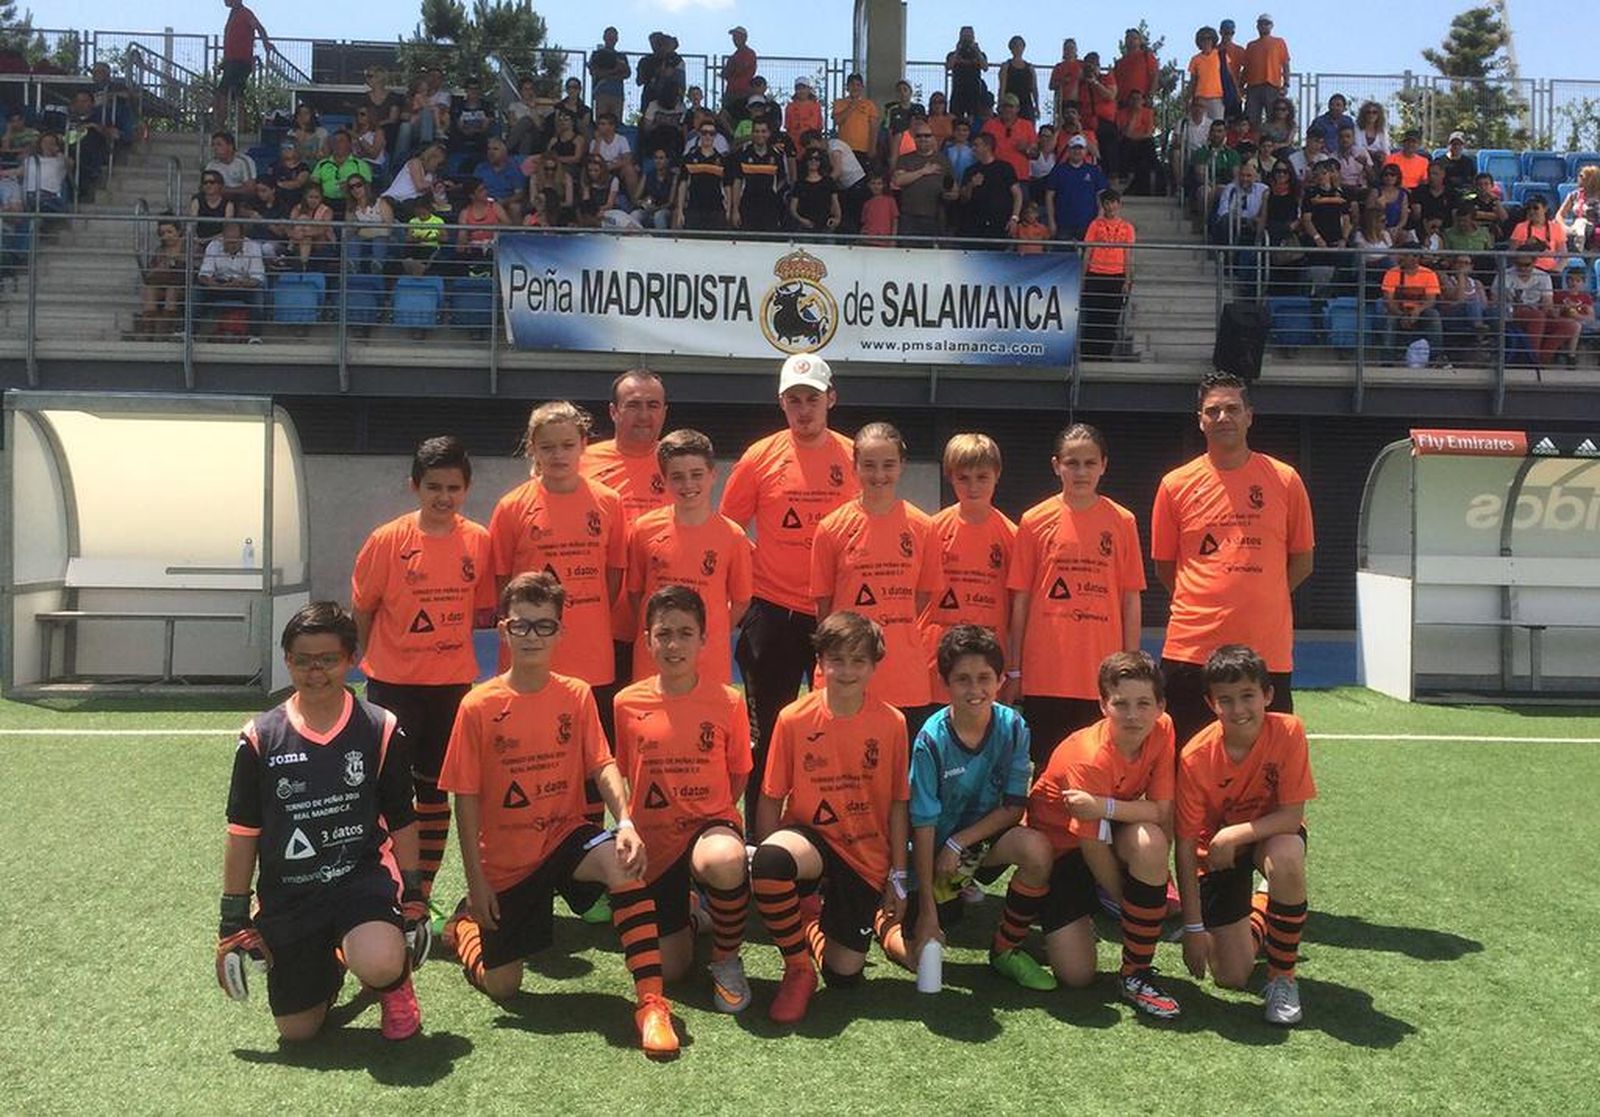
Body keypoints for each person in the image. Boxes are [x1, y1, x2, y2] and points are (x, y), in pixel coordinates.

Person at [438, 572, 679, 1057]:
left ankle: (652, 1004)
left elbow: (602, 763)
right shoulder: (477, 705)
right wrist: (477, 880)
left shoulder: (576, 693)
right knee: (504, 987)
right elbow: (464, 799)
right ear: (503, 630)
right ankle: (464, 929)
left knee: (623, 862)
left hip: (566, 838)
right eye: (521, 626)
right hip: (508, 860)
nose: (532, 637)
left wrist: (625, 821)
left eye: (544, 626)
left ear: (560, 632)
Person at [216, 602, 423, 1042]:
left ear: (350, 660)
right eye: (303, 661)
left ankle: (391, 980)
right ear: (287, 660)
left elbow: (403, 817)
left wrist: (415, 894)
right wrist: (232, 920)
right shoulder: (260, 736)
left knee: (382, 960)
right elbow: (242, 832)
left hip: (360, 879)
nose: (316, 672)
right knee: (297, 1031)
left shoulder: (379, 726)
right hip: (291, 892)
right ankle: (331, 962)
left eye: (328, 660)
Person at [351, 437, 494, 924]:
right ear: (415, 486)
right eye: (434, 486)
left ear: (466, 489)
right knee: (389, 793)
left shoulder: (479, 540)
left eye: (453, 487)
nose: (443, 496)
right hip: (392, 686)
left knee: (435, 793)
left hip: (452, 689)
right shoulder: (387, 540)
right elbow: (364, 606)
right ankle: (382, 886)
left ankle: (420, 893)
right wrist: (368, 661)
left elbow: (482, 610)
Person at [749, 611, 910, 1024]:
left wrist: (897, 876)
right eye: (836, 659)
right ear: (819, 662)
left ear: (875, 665)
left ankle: (816, 928)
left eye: (859, 661)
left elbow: (897, 804)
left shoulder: (892, 723)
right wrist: (763, 868)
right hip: (810, 842)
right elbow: (770, 798)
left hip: (865, 854)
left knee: (844, 974)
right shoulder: (793, 718)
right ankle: (798, 968)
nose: (847, 670)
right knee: (770, 861)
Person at [721, 353, 859, 820]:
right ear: (782, 403)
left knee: (834, 726)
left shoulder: (854, 456)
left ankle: (825, 826)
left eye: (813, 399)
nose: (804, 409)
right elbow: (729, 529)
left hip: (834, 616)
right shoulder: (761, 456)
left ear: (831, 400)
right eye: (794, 399)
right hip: (773, 612)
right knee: (770, 730)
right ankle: (758, 839)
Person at [884, 625, 1057, 991]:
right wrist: (928, 912)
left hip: (969, 847)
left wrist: (959, 841)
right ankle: (896, 914)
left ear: (998, 680)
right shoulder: (930, 739)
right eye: (962, 679)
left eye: (984, 678)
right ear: (945, 682)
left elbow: (1013, 807)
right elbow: (923, 826)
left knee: (1036, 849)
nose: (975, 689)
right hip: (928, 854)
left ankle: (1006, 949)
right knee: (919, 938)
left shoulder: (1014, 728)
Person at [1152, 374, 1315, 749]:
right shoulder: (1175, 484)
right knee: (1184, 758)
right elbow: (1165, 566)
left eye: (1232, 408)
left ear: (1250, 416)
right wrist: (1210, 598)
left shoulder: (1285, 480)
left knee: (1267, 761)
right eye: (1213, 410)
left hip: (1265, 647)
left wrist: (1263, 593)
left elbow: (1303, 560)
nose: (1223, 416)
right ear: (1200, 420)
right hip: (1191, 647)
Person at [613, 584, 754, 1012]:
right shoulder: (625, 702)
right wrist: (627, 825)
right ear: (648, 639)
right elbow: (622, 773)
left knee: (724, 860)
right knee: (671, 970)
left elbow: (738, 774)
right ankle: (694, 915)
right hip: (655, 840)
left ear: (704, 639)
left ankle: (727, 958)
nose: (674, 644)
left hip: (709, 827)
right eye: (664, 633)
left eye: (685, 633)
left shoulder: (728, 701)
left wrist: (709, 814)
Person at [1025, 651, 1180, 1016]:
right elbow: (1089, 845)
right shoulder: (1088, 756)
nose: (1132, 715)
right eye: (1120, 703)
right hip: (1061, 849)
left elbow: (1161, 811)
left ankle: (1136, 972)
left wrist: (1104, 808)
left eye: (1144, 703)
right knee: (1077, 975)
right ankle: (1089, 905)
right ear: (1102, 705)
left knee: (1150, 841)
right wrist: (1132, 906)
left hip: (1106, 825)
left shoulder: (1164, 729)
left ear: (1161, 706)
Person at [1176, 645, 1316, 1026]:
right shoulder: (1194, 756)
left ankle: (1282, 978)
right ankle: (1264, 906)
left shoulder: (1288, 731)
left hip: (1269, 835)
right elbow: (1186, 845)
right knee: (1231, 976)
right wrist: (1192, 926)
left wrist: (1233, 834)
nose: (1238, 709)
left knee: (1286, 855)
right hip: (1216, 853)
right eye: (1226, 700)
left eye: (1248, 696)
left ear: (1268, 695)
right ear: (1210, 703)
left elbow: (1292, 816)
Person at [1005, 423, 1144, 766]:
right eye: (1072, 463)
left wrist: (1132, 665)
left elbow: (1130, 597)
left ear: (1103, 465)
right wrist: (1016, 670)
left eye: (1089, 463)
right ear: (1057, 465)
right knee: (1045, 771)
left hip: (1101, 675)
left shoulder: (1122, 521)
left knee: (1098, 769)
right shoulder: (1034, 520)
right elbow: (1020, 600)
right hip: (1046, 674)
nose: (1081, 472)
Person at [810, 423, 943, 735]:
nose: (879, 474)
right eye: (869, 465)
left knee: (898, 779)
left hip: (905, 679)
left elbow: (922, 598)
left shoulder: (923, 527)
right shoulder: (832, 528)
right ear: (854, 466)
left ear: (902, 466)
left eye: (888, 465)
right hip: (847, 676)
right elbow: (824, 609)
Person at [626, 429, 752, 685]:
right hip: (655, 659)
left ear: (712, 475)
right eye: (678, 477)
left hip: (708, 660)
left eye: (696, 475)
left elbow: (741, 600)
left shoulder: (732, 535)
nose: (688, 485)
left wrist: (711, 631)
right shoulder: (644, 529)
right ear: (664, 480)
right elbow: (636, 593)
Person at [917, 434, 1016, 704]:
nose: (973, 487)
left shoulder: (1012, 536)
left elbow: (1017, 608)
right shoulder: (930, 530)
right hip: (935, 664)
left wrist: (1015, 669)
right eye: (964, 478)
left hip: (987, 664)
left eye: (982, 477)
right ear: (950, 477)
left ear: (997, 475)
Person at [1081, 189, 1135, 357]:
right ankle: (1089, 353)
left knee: (1110, 318)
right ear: (1103, 205)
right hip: (1096, 274)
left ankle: (1105, 353)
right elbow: (1088, 251)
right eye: (1107, 203)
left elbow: (1128, 255)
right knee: (1093, 316)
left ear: (1118, 204)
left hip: (1116, 275)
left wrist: (1127, 280)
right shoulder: (1094, 225)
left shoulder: (1127, 227)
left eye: (1113, 202)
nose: (1110, 206)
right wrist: (1083, 276)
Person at [197, 221, 265, 337]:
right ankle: (189, 333)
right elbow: (204, 274)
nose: (230, 244)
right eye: (227, 240)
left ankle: (255, 336)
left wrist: (241, 283)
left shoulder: (253, 247)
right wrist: (214, 284)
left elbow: (257, 278)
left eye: (234, 240)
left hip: (243, 285)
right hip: (219, 284)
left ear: (242, 238)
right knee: (196, 292)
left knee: (257, 296)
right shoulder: (214, 245)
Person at [213, 0, 270, 135]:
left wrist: (266, 43)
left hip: (239, 63)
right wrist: (224, 63)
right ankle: (240, 127)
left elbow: (259, 27)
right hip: (233, 62)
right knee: (237, 95)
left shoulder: (244, 13)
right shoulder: (234, 14)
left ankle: (221, 127)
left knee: (223, 94)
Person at [892, 120, 955, 240]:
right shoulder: (905, 159)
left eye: (927, 135)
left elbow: (953, 187)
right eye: (919, 136)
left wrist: (951, 194)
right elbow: (898, 181)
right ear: (914, 139)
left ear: (933, 138)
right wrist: (923, 171)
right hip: (909, 216)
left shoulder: (943, 160)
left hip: (935, 217)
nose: (923, 139)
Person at [1379, 252, 1444, 363]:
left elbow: (1431, 300)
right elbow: (1388, 300)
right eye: (1411, 255)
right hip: (1398, 311)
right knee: (1390, 320)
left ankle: (1436, 357)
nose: (1414, 258)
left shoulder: (1429, 273)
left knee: (1434, 315)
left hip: (1420, 311)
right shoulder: (1392, 273)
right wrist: (1401, 315)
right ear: (1403, 256)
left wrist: (1417, 311)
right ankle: (1387, 360)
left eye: (1416, 255)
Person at [1045, 135, 1107, 241]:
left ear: (1086, 151)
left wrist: (1099, 218)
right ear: (1068, 150)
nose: (1077, 151)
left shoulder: (1094, 171)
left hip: (1088, 223)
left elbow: (1101, 195)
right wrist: (1051, 221)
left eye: (1080, 148)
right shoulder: (1058, 171)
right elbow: (1049, 196)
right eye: (1074, 148)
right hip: (1063, 223)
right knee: (1063, 256)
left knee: (1088, 256)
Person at [730, 119, 787, 233]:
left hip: (769, 207)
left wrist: (773, 191)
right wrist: (735, 210)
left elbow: (783, 179)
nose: (760, 134)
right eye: (756, 131)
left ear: (768, 133)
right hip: (747, 206)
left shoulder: (776, 155)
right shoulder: (743, 154)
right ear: (752, 133)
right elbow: (737, 183)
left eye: (763, 131)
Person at [676, 120, 730, 231]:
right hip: (693, 209)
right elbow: (683, 185)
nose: (708, 136)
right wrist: (680, 211)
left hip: (716, 210)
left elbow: (727, 187)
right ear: (699, 134)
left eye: (711, 133)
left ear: (715, 136)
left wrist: (728, 210)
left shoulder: (723, 160)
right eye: (704, 132)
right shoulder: (689, 158)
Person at [1241, 15, 1291, 130]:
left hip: (1272, 85)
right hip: (1253, 86)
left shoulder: (1279, 42)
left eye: (1267, 23)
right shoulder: (1251, 45)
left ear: (1271, 26)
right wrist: (1241, 85)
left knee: (1273, 118)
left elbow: (1285, 64)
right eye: (1261, 23)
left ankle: (1271, 146)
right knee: (1251, 119)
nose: (1264, 26)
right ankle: (1253, 144)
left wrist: (1286, 84)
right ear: (1257, 26)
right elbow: (1246, 68)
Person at [309, 130, 370, 219]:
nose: (337, 144)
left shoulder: (360, 164)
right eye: (334, 141)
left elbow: (367, 188)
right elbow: (313, 185)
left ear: (349, 144)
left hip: (352, 201)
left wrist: (349, 187)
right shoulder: (322, 164)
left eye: (341, 141)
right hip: (325, 201)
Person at [981, 93, 1036, 182]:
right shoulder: (989, 125)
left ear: (1018, 109)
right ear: (1000, 108)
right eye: (1004, 106)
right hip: (994, 177)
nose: (1007, 109)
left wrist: (1026, 149)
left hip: (1019, 177)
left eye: (1011, 106)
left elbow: (1035, 155)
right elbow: (980, 149)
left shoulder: (1027, 126)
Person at [832, 73, 880, 167]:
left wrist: (872, 148)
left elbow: (874, 128)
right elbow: (837, 121)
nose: (855, 87)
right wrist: (851, 106)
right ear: (847, 87)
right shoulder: (839, 103)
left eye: (858, 85)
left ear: (862, 87)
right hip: (844, 149)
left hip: (863, 149)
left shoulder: (869, 104)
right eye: (852, 84)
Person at [790, 146, 840, 234]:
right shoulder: (800, 183)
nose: (813, 161)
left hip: (825, 226)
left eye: (817, 159)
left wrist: (837, 219)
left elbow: (835, 204)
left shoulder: (828, 182)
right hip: (804, 228)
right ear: (806, 161)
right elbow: (793, 208)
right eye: (810, 158)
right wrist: (801, 220)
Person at [946, 26, 990, 122]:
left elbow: (985, 67)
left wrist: (977, 51)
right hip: (958, 91)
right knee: (956, 119)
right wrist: (957, 50)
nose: (967, 38)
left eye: (969, 36)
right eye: (964, 36)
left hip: (974, 93)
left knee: (973, 120)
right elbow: (949, 66)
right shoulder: (953, 54)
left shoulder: (979, 54)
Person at [1185, 27, 1227, 123]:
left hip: (1217, 97)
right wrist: (1188, 98)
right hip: (1200, 97)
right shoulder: (1195, 59)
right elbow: (1193, 81)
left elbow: (1228, 75)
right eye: (1203, 39)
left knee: (1218, 124)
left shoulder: (1220, 56)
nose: (1206, 41)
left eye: (1209, 38)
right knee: (1200, 125)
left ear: (1213, 40)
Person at [588, 27, 631, 121]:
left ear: (617, 39)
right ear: (604, 37)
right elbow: (594, 72)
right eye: (609, 36)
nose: (611, 39)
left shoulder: (621, 56)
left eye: (613, 36)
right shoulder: (597, 54)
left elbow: (627, 73)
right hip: (602, 92)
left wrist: (607, 75)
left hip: (617, 94)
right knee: (602, 121)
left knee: (616, 122)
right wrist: (615, 70)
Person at [206, 130, 257, 205]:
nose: (215, 148)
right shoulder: (211, 165)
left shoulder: (244, 161)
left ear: (230, 146)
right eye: (213, 145)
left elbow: (250, 188)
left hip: (240, 197)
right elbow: (204, 186)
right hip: (219, 197)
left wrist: (225, 190)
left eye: (219, 145)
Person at [997, 36, 1039, 122]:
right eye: (1015, 45)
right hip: (1010, 102)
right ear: (1011, 48)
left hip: (1026, 103)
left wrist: (1037, 105)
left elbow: (1034, 88)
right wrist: (1000, 103)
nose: (1017, 48)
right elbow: (1002, 87)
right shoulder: (1006, 66)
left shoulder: (1030, 68)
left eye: (1020, 45)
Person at [722, 25, 758, 118]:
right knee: (727, 118)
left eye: (737, 36)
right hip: (731, 92)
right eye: (734, 37)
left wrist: (731, 70)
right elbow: (726, 73)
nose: (734, 39)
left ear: (744, 38)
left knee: (742, 119)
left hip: (743, 93)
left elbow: (738, 69)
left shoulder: (749, 53)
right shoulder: (733, 56)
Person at [859, 172, 898, 245]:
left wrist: (893, 239)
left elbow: (895, 221)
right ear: (869, 185)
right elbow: (864, 223)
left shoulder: (890, 201)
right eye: (873, 183)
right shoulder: (867, 203)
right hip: (868, 240)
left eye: (879, 184)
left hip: (884, 240)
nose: (876, 186)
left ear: (884, 185)